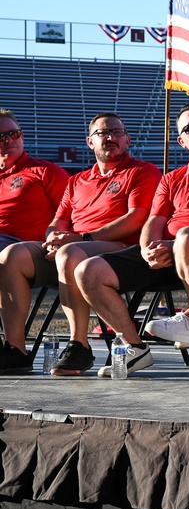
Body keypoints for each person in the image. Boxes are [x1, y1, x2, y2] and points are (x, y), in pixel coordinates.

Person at [0, 114, 161, 374]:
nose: (110, 137)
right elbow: (59, 220)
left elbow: (136, 219)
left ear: (128, 139)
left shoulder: (143, 171)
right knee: (11, 255)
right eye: (102, 133)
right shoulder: (77, 181)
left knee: (69, 252)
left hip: (119, 248)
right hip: (74, 249)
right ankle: (15, 349)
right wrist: (53, 236)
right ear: (89, 142)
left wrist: (83, 238)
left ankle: (79, 345)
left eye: (117, 132)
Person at [75, 103, 189, 377]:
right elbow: (153, 221)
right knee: (89, 270)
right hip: (163, 255)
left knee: (187, 236)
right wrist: (149, 249)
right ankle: (134, 348)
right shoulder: (173, 178)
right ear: (181, 140)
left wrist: (175, 246)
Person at [0, 109, 70, 248]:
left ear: (22, 136)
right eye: (1, 136)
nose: (8, 140)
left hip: (27, 246)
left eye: (13, 134)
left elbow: (75, 213)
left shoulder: (46, 171)